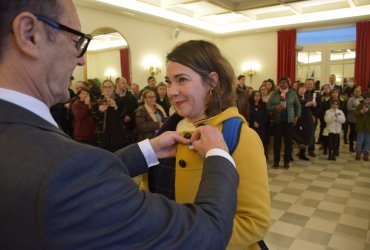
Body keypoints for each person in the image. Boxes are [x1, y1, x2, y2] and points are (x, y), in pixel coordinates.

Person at [0, 1, 241, 249]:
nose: (82, 60)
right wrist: (218, 155)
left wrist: (147, 150)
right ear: (30, 34)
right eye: (77, 42)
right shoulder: (65, 170)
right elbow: (206, 233)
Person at [143, 40, 270, 250]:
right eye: (168, 82)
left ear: (211, 81)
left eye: (181, 80)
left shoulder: (240, 136)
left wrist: (184, 241)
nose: (171, 91)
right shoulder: (167, 130)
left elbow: (254, 222)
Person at [267, 77, 301, 169]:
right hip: (277, 121)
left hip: (289, 122)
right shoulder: (274, 94)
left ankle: (286, 162)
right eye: (281, 82)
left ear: (288, 84)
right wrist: (275, 107)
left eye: (284, 82)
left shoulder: (292, 93)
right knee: (277, 143)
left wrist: (297, 116)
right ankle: (276, 162)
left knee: (288, 142)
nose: (282, 84)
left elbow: (298, 106)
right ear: (279, 84)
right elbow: (268, 106)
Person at [93, 80, 130, 151]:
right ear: (102, 89)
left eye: (109, 87)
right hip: (103, 136)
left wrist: (116, 107)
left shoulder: (120, 100)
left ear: (113, 88)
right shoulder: (97, 102)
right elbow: (93, 120)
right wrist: (100, 111)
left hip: (118, 136)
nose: (107, 89)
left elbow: (125, 117)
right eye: (105, 87)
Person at [248, 90, 269, 160]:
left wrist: (259, 123)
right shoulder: (250, 105)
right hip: (252, 127)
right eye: (255, 95)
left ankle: (262, 157)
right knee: (253, 143)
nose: (257, 97)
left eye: (258, 95)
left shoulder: (263, 105)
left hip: (261, 128)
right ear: (253, 96)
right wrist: (253, 122)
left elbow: (265, 116)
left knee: (261, 142)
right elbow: (249, 116)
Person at [354, 92, 370, 161]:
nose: (367, 101)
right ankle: (358, 153)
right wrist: (361, 112)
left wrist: (368, 111)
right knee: (359, 141)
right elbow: (355, 114)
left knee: (367, 141)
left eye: (369, 100)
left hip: (368, 127)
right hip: (360, 127)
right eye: (366, 100)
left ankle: (366, 153)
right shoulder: (360, 105)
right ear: (363, 100)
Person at [347, 86, 363, 152]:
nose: (357, 93)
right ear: (354, 92)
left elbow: (364, 107)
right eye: (356, 91)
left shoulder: (362, 99)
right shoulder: (350, 99)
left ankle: (358, 146)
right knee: (352, 133)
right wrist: (358, 109)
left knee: (359, 134)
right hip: (352, 119)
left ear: (361, 92)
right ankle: (351, 146)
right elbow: (349, 108)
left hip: (360, 119)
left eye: (359, 91)